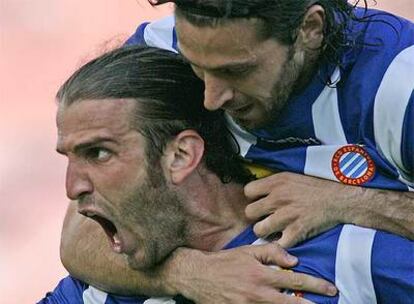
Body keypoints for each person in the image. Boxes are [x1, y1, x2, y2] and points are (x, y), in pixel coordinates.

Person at [60, 1, 414, 302]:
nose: (211, 100)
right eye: (198, 68)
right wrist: (193, 274)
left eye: (235, 71)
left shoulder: (399, 86)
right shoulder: (163, 49)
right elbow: (80, 235)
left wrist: (352, 203)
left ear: (310, 28)